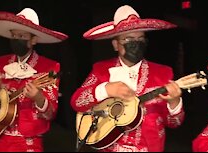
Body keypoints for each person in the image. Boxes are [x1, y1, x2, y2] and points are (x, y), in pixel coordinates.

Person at [71, 5, 185, 152]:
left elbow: (174, 123)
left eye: (140, 38)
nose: (135, 43)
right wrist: (106, 89)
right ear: (116, 45)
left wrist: (174, 103)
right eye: (128, 39)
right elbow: (77, 102)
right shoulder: (101, 69)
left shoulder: (163, 73)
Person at [0, 8, 68, 152]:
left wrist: (38, 97)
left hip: (29, 143)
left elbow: (50, 113)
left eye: (21, 36)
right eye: (13, 35)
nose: (16, 39)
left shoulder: (49, 67)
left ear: (33, 40)